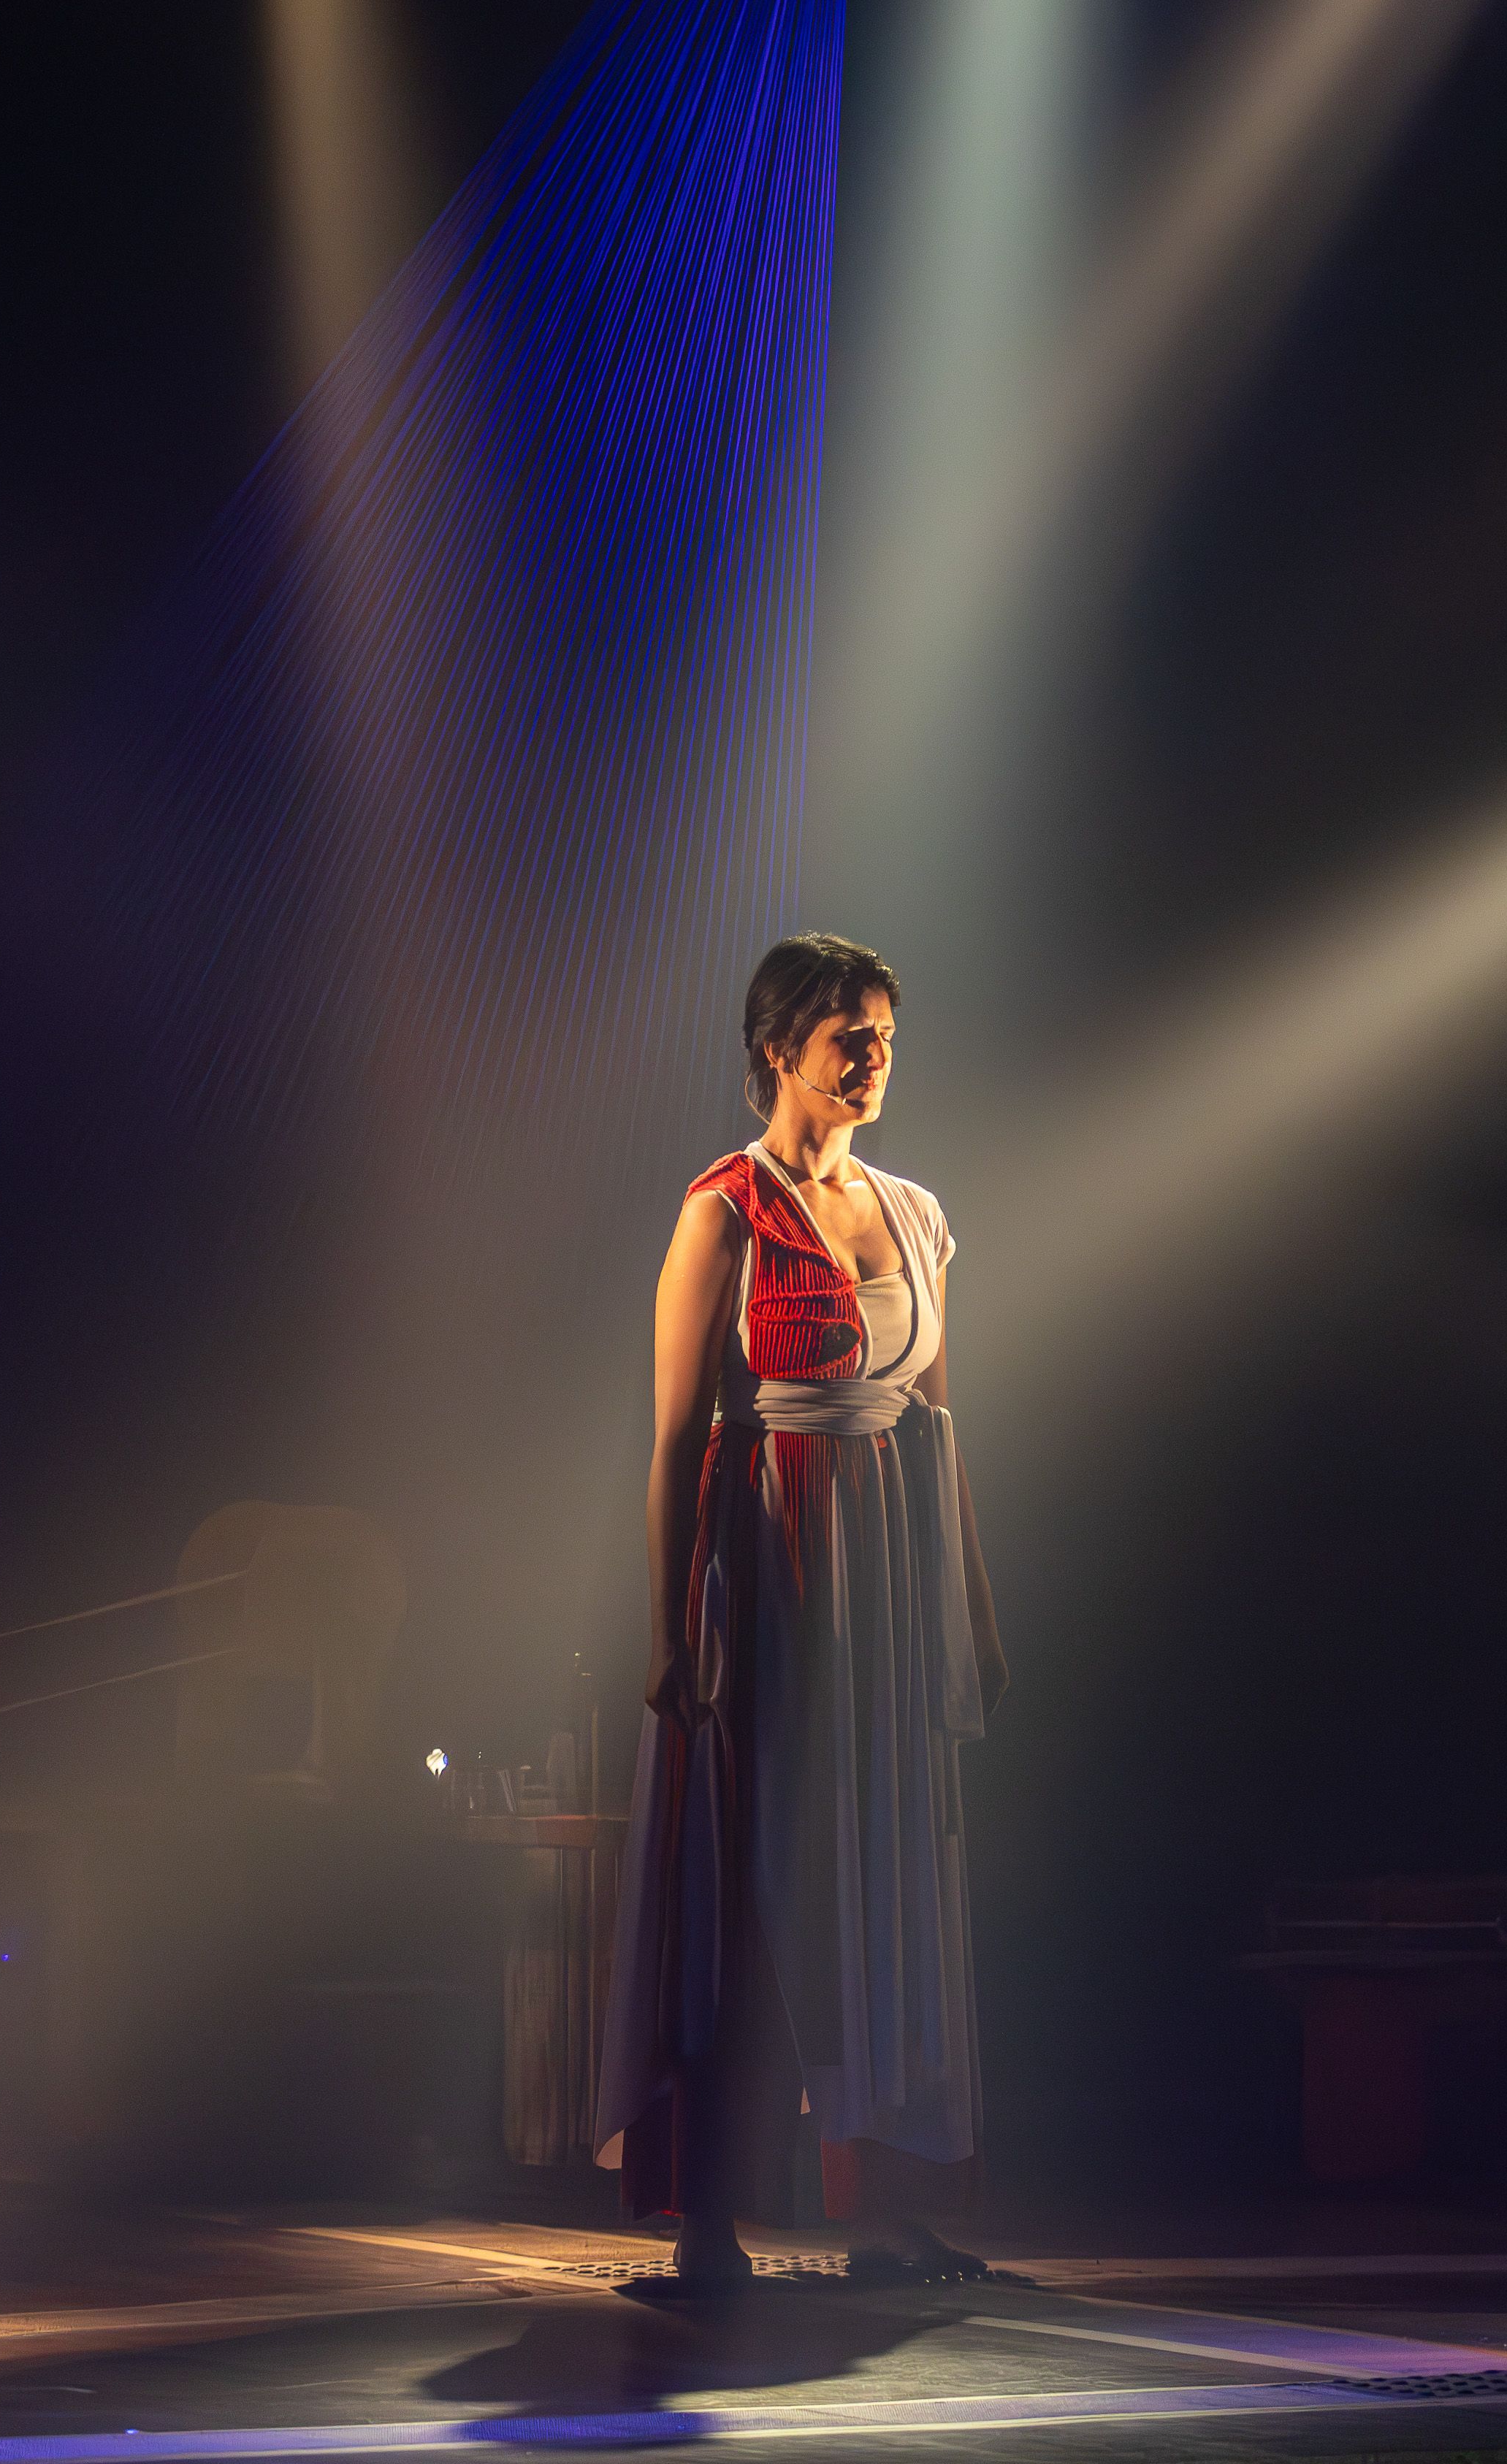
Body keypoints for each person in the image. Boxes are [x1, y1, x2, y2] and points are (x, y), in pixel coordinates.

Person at [595, 931, 1004, 2293]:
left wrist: (976, 1609)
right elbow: (672, 1438)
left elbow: (942, 1425)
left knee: (890, 1877)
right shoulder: (723, 1210)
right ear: (780, 1045)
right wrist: (668, 1626)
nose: (875, 1056)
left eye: (886, 1032)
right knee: (759, 1878)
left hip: (892, 1564)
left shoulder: (919, 1213)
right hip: (771, 1553)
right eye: (849, 1033)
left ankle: (884, 2212)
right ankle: (710, 2221)